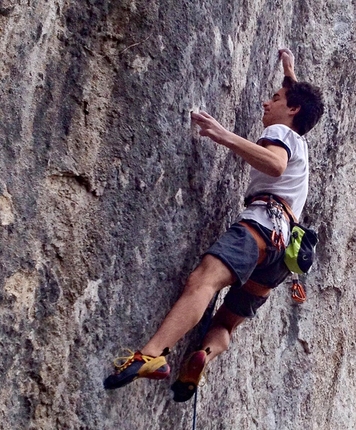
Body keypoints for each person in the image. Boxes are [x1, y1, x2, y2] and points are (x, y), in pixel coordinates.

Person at [104, 48, 324, 401]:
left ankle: (153, 354)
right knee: (224, 323)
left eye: (276, 97)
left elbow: (275, 165)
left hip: (262, 227)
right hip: (283, 256)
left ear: (293, 110)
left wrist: (223, 135)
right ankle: (205, 354)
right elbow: (302, 102)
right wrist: (289, 70)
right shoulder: (302, 139)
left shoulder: (282, 133)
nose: (267, 104)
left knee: (203, 282)